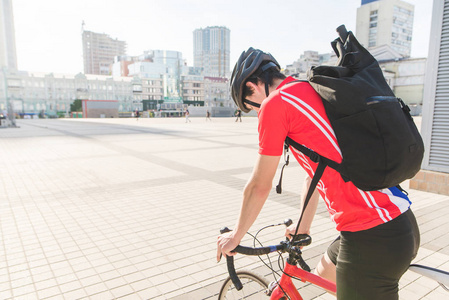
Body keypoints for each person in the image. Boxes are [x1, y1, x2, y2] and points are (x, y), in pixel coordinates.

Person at [216, 47, 420, 300]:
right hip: (396, 221)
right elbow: (315, 174)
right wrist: (302, 227)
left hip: (373, 234)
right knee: (323, 275)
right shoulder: (312, 90)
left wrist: (236, 236)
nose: (257, 112)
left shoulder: (276, 104)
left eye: (251, 107)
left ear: (253, 86)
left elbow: (260, 184)